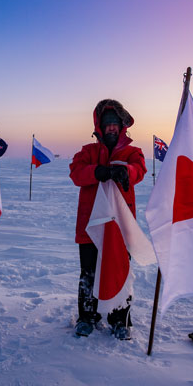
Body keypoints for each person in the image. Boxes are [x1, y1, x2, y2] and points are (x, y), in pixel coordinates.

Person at [69, 99, 147, 340]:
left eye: (115, 123)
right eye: (107, 124)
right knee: (89, 273)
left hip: (120, 227)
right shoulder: (88, 152)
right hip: (90, 227)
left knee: (119, 272)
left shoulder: (133, 153)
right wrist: (98, 171)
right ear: (99, 127)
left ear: (122, 126)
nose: (111, 128)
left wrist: (126, 172)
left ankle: (120, 319)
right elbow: (76, 173)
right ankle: (87, 317)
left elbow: (139, 170)